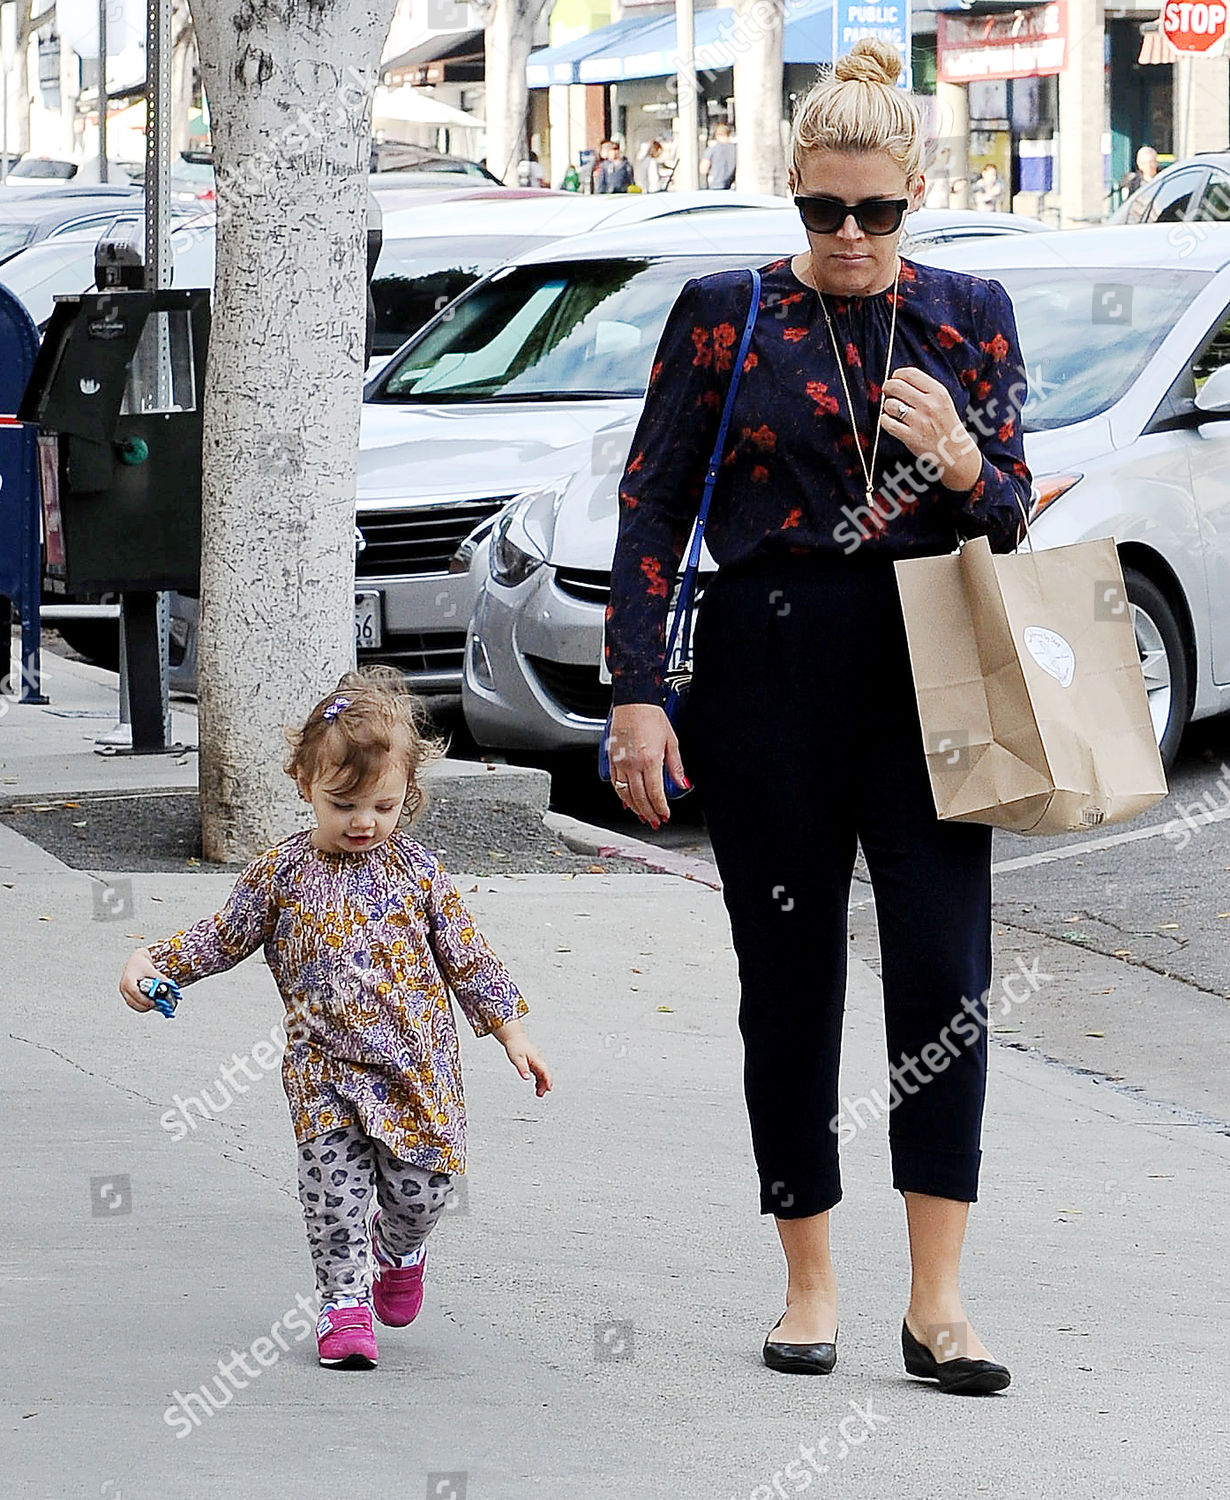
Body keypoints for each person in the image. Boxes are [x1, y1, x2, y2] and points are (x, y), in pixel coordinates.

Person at [603, 38, 1030, 1394]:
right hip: (766, 670)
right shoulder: (724, 313)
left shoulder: (969, 312)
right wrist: (634, 695)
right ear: (791, 189)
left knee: (941, 982)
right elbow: (650, 508)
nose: (848, 237)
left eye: (875, 211)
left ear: (915, 187)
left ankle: (939, 1303)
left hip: (930, 671)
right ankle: (806, 1286)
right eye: (821, 210)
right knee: (786, 989)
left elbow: (1011, 510)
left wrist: (959, 456)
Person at [118, 668, 552, 1371]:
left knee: (424, 1191)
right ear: (304, 785)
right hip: (323, 1072)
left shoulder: (418, 872)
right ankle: (343, 1302)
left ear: (406, 796)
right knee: (332, 1196)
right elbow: (220, 936)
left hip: (418, 1073)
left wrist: (513, 1035)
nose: (362, 822)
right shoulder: (280, 874)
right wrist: (152, 960)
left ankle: (400, 1247)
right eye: (343, 803)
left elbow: (467, 956)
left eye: (382, 807)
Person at [700, 122, 737, 189]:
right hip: (732, 185)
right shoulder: (736, 149)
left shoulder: (712, 149)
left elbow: (703, 169)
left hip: (715, 184)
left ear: (717, 135)